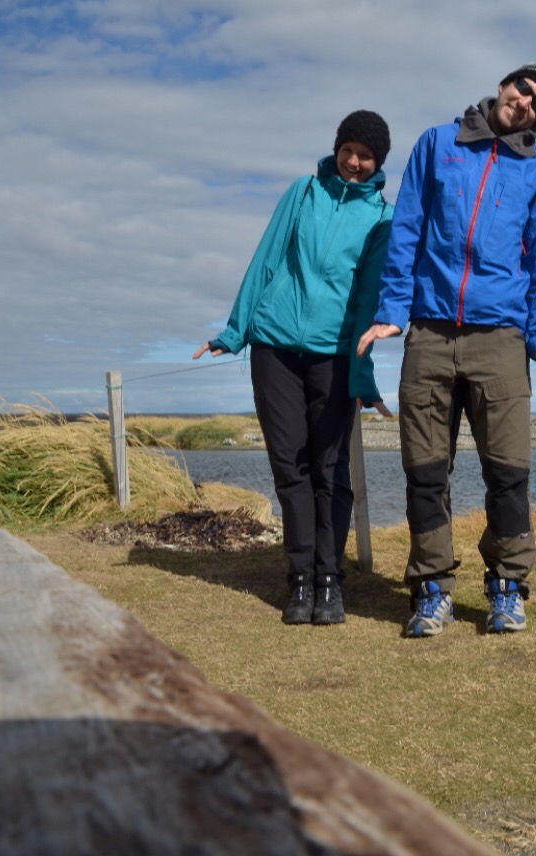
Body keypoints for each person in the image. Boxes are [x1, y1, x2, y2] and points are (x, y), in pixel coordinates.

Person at [357, 63, 536, 638]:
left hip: (500, 339)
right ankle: (431, 589)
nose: (526, 102)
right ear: (504, 85)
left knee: (508, 474)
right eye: (523, 89)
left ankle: (507, 587)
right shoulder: (437, 144)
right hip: (429, 334)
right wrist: (391, 311)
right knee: (425, 473)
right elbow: (407, 231)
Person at [194, 110, 394, 626]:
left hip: (335, 355)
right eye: (348, 150)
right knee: (290, 467)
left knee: (330, 470)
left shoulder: (382, 218)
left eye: (365, 155)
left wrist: (363, 374)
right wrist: (235, 331)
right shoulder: (302, 192)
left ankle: (330, 582)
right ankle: (300, 579)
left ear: (378, 163)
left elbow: (369, 300)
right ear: (336, 148)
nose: (354, 161)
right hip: (274, 348)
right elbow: (265, 260)